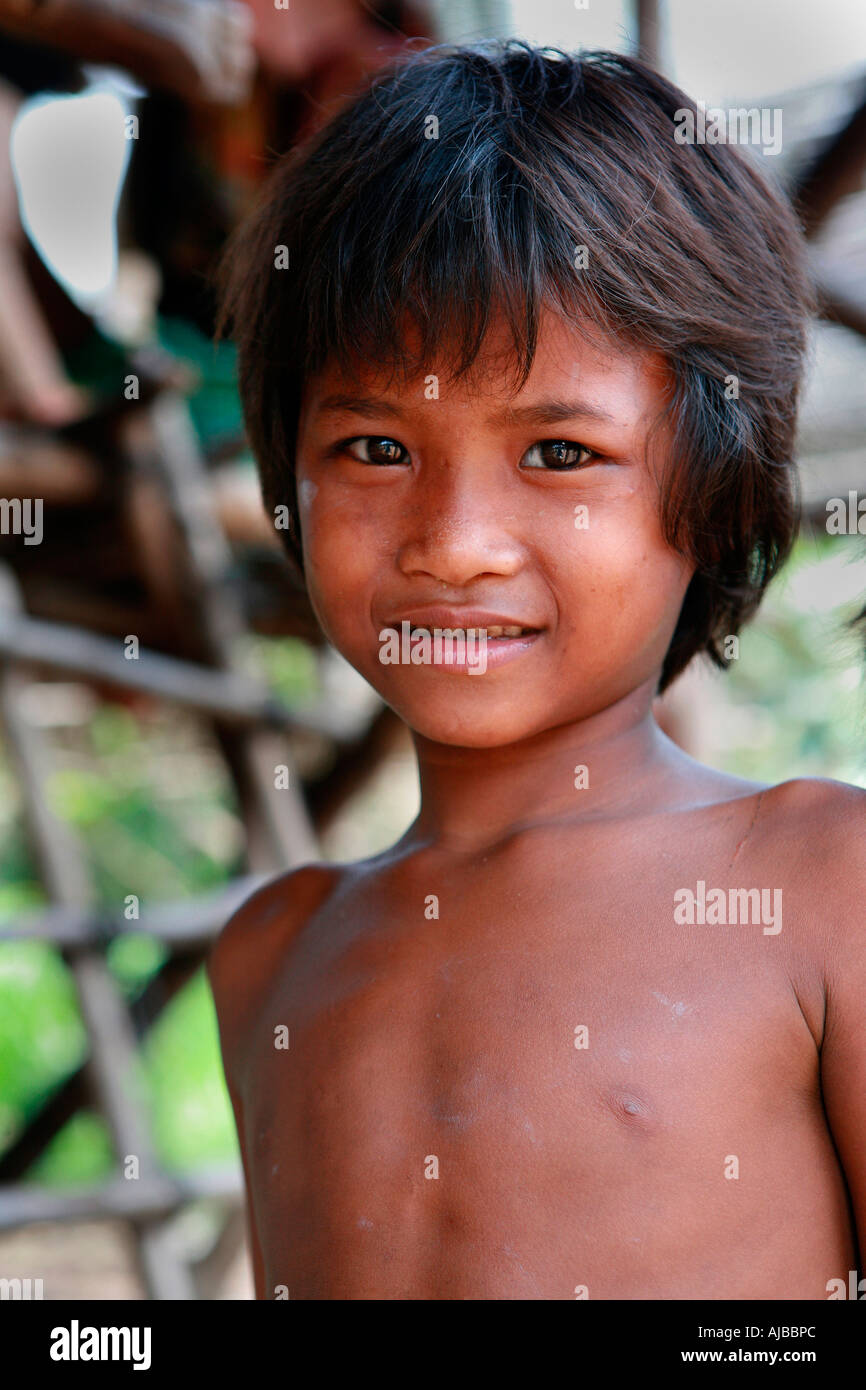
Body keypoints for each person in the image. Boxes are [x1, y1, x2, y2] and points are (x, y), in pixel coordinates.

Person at [208, 40, 866, 1300]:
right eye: (373, 445)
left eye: (559, 453)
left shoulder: (820, 888)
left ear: (712, 498)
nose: (452, 543)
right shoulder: (269, 954)